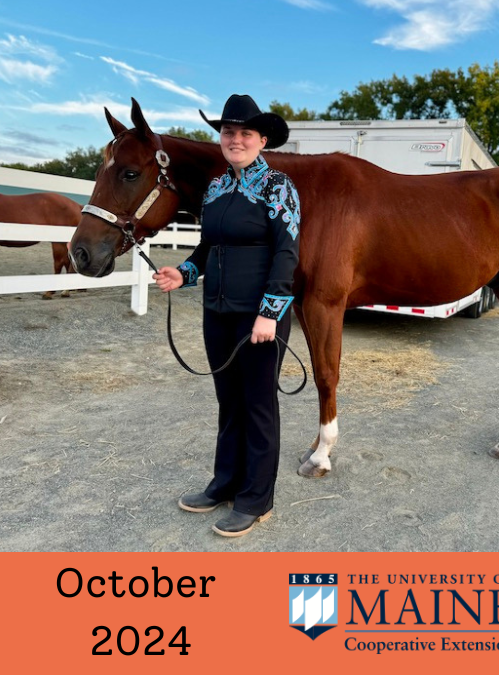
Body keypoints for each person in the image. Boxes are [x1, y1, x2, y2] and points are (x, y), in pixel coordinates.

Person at [153, 94, 300, 537]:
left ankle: (257, 498)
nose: (236, 139)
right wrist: (184, 273)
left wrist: (270, 313)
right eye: (229, 132)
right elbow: (207, 248)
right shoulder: (216, 188)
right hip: (216, 313)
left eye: (245, 133)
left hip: (258, 319)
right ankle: (225, 484)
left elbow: (286, 253)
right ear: (221, 138)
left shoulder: (279, 187)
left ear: (262, 139)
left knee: (258, 406)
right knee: (229, 403)